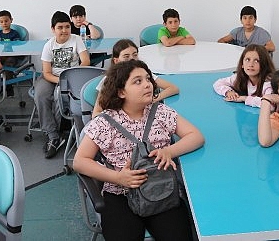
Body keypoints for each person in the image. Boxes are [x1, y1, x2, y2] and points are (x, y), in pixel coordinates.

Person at [73, 59, 204, 241]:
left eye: (148, 79)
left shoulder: (161, 112)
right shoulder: (104, 122)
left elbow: (196, 136)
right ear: (121, 92)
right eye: (138, 81)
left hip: (161, 189)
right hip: (121, 194)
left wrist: (169, 151)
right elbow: (80, 161)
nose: (147, 85)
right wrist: (118, 177)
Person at [35, 11, 90, 158]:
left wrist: (69, 78)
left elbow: (85, 61)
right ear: (53, 29)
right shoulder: (49, 45)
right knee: (41, 95)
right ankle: (53, 135)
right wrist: (61, 81)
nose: (64, 30)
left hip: (72, 77)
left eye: (67, 26)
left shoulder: (77, 39)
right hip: (52, 77)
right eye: (60, 27)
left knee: (61, 95)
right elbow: (46, 72)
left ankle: (64, 131)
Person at [92, 39, 179, 116]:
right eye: (126, 56)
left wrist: (153, 99)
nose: (132, 59)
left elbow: (173, 88)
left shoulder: (144, 74)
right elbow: (96, 113)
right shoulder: (108, 80)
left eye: (135, 55)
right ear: (116, 61)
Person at [0, 10, 22, 96]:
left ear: (11, 20)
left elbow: (18, 45)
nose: (4, 23)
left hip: (12, 56)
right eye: (1, 22)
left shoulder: (15, 34)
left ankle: (9, 87)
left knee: (8, 66)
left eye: (6, 21)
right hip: (1, 56)